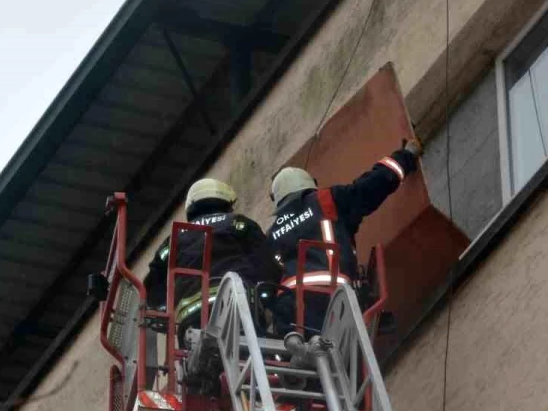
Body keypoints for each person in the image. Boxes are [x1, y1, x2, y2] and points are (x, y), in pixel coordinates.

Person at [267, 138, 422, 336]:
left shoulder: (272, 234)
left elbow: (267, 280)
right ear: (309, 184)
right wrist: (406, 156)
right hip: (335, 297)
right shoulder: (326, 200)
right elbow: (371, 187)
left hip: (292, 314)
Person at [144, 178, 281, 335]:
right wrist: (268, 297)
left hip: (190, 316)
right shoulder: (238, 223)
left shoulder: (175, 238)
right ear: (225, 203)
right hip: (236, 302)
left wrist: (162, 310)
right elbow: (266, 261)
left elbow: (153, 283)